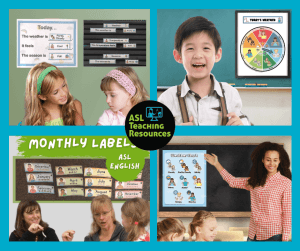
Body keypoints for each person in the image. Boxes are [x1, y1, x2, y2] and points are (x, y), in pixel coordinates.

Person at [158, 16, 250, 125]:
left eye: (206, 48)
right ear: (178, 56)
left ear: (217, 54)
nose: (198, 55)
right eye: (190, 48)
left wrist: (242, 125)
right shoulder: (167, 99)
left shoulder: (230, 93)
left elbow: (243, 121)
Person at [204, 142, 291, 241]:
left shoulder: (286, 183)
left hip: (274, 235)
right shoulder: (255, 181)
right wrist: (216, 164)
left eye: (275, 160)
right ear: (263, 160)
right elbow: (232, 181)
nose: (271, 163)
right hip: (254, 234)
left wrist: (285, 240)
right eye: (268, 160)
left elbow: (287, 213)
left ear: (279, 161)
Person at [62, 195, 127, 241]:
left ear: (112, 213)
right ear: (94, 216)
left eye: (105, 213)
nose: (101, 218)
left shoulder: (126, 234)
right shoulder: (89, 239)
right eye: (97, 214)